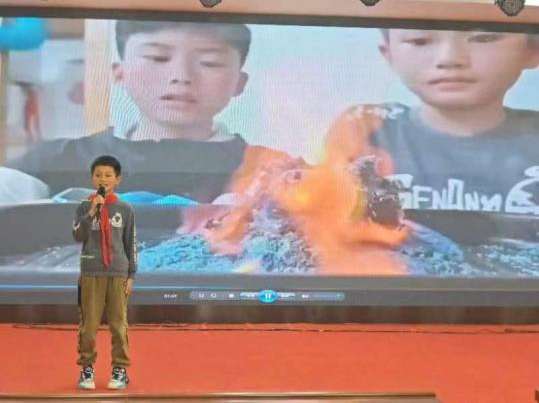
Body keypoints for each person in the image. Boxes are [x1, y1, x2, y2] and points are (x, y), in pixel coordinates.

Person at [5, 20, 268, 203]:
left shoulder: (270, 173)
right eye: (157, 58)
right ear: (120, 74)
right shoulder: (48, 164)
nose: (181, 76)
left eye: (210, 62)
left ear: (239, 83)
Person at [326, 29, 539, 215]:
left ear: (533, 50)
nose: (450, 59)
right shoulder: (366, 127)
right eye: (420, 41)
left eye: (484, 38)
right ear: (389, 54)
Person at [72, 155, 136, 390]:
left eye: (108, 175)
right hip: (91, 272)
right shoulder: (84, 206)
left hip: (118, 273)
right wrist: (92, 212)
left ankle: (120, 369)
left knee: (118, 325)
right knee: (88, 326)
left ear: (117, 179)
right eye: (98, 175)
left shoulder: (125, 209)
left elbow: (130, 243)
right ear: (92, 179)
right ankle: (86, 368)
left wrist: (131, 275)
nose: (103, 179)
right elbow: (78, 235)